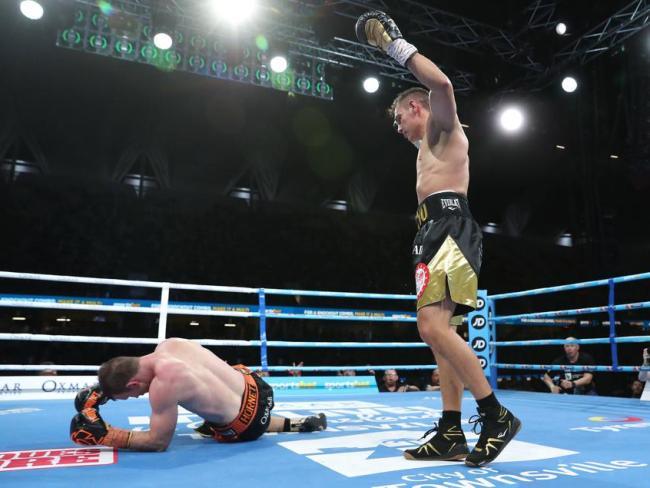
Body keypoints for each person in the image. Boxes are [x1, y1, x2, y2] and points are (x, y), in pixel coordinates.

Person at [355, 11, 521, 466]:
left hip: (448, 226)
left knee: (429, 327)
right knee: (440, 333)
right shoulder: (427, 149)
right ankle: (451, 431)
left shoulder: (442, 128)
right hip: (436, 229)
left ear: (414, 108)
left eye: (397, 118)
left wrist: (395, 46)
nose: (397, 128)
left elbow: (443, 86)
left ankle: (495, 415)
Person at [69, 338, 326, 451]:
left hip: (246, 425)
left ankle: (282, 423)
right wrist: (108, 385)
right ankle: (298, 423)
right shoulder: (170, 344)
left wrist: (107, 436)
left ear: (134, 385)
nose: (135, 398)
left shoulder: (162, 387)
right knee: (217, 402)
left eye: (130, 395)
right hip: (257, 387)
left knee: (224, 420)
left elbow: (158, 442)